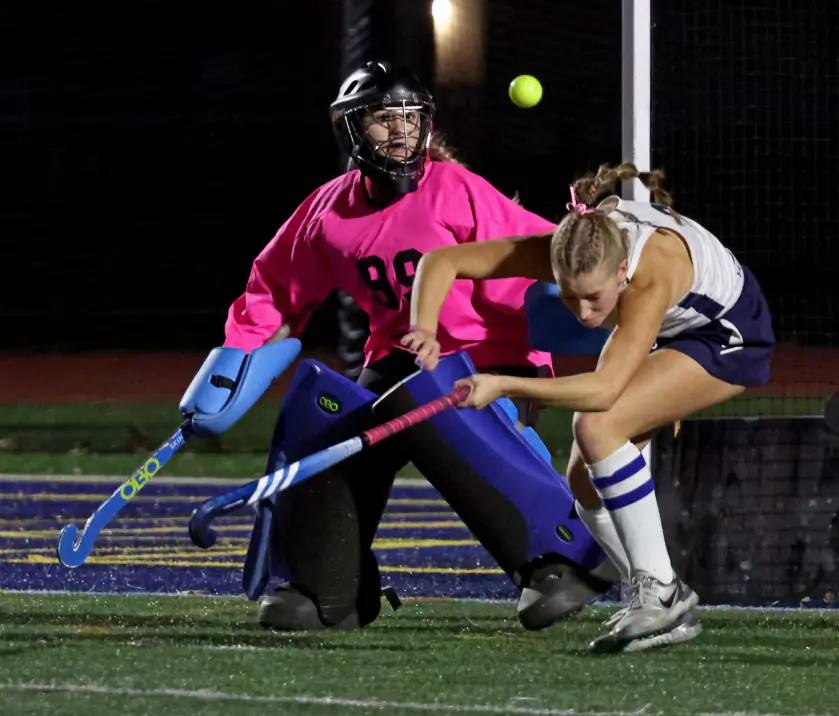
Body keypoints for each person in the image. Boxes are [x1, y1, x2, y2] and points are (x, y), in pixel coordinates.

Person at [221, 61, 619, 632]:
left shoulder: (458, 189)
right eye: (386, 119)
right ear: (352, 129)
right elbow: (273, 292)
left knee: (435, 405)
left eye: (412, 118)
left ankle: (557, 557)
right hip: (402, 357)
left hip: (489, 352)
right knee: (330, 425)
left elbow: (545, 259)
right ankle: (330, 586)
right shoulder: (326, 213)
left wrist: (553, 345)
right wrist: (233, 362)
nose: (403, 131)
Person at [403, 161, 776, 653]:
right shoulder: (569, 249)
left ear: (622, 270)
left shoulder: (649, 273)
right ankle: (653, 596)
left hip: (729, 337)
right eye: (570, 296)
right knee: (583, 479)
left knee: (598, 425)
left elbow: (602, 392)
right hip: (671, 330)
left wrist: (504, 383)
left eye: (594, 298)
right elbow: (442, 261)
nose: (583, 312)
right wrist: (425, 327)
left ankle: (662, 594)